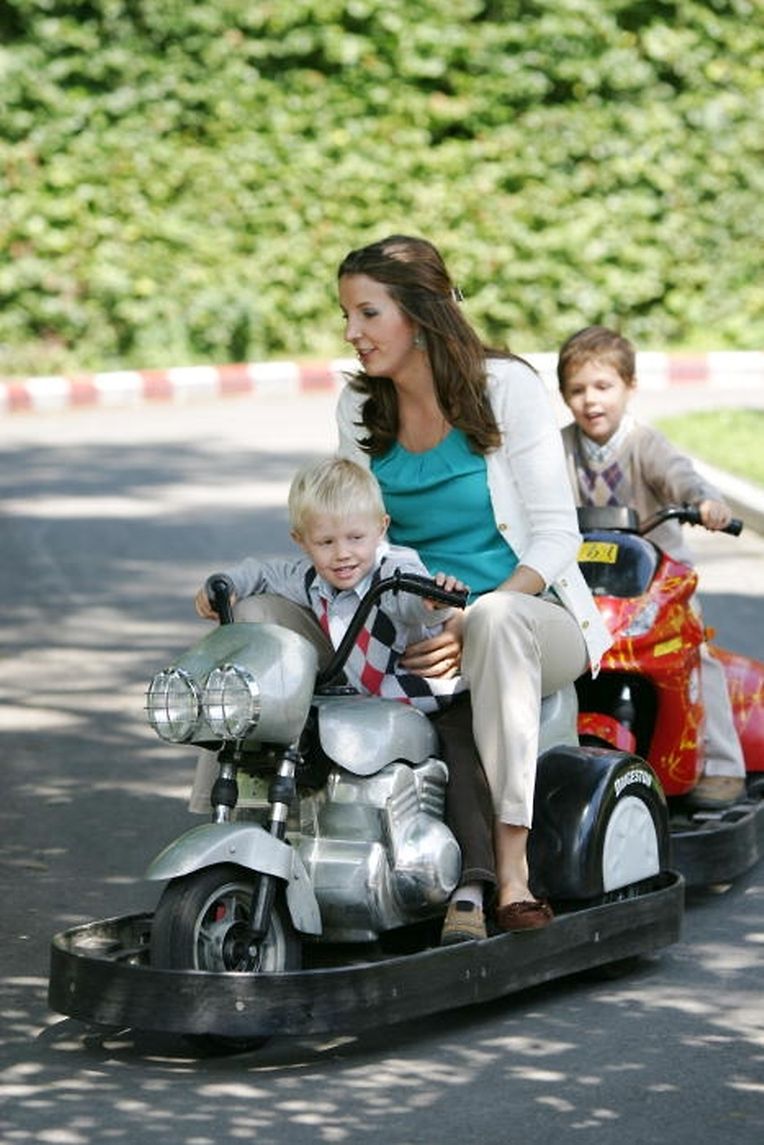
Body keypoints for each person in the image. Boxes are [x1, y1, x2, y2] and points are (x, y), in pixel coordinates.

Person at [335, 234, 612, 934]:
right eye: (347, 316)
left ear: (420, 315)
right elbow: (350, 533)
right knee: (275, 615)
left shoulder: (506, 387)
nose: (352, 333)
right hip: (414, 620)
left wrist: (474, 616)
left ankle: (511, 872)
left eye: (368, 314)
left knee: (492, 620)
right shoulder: (359, 409)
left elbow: (556, 536)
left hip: (532, 616)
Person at [194, 455, 497, 944]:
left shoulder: (395, 568)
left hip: (431, 698)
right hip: (366, 706)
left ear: (381, 528)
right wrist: (220, 587)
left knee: (462, 761)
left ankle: (470, 892)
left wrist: (433, 599)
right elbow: (264, 572)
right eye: (326, 542)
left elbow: (412, 603)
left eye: (356, 538)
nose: (342, 554)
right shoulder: (310, 577)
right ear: (302, 541)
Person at [556, 324, 746, 810]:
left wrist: (705, 501)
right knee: (561, 656)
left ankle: (723, 765)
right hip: (587, 586)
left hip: (656, 584)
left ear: (629, 387)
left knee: (695, 656)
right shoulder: (560, 449)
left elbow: (681, 476)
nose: (591, 401)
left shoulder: (645, 444)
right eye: (577, 390)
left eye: (603, 387)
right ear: (564, 396)